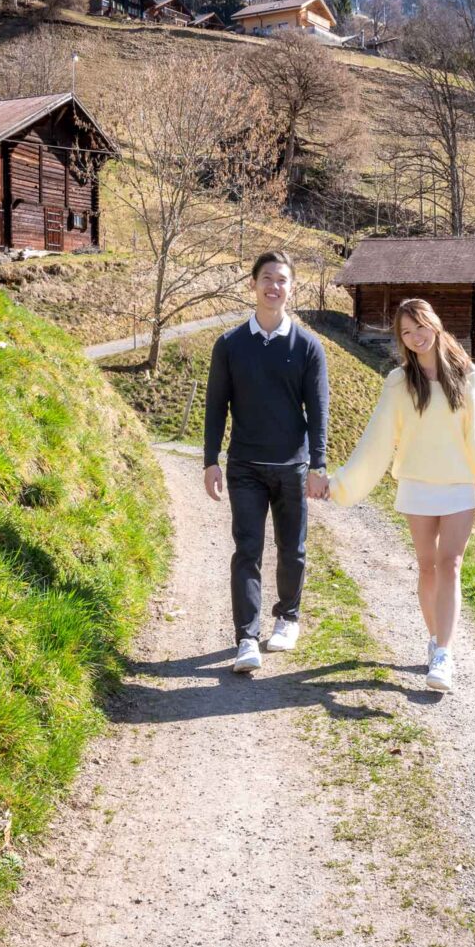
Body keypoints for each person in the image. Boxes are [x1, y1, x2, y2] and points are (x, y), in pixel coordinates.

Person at [328, 298, 475, 693]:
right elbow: (376, 440)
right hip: (417, 484)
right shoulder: (398, 382)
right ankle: (434, 640)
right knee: (428, 566)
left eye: (420, 327)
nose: (415, 337)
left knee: (450, 565)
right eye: (406, 333)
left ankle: (444, 654)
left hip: (460, 485)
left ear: (435, 324)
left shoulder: (467, 375)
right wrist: (341, 483)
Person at [203, 251, 330, 673]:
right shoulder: (230, 345)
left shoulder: (308, 346)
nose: (274, 287)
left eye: (282, 280)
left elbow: (319, 409)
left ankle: (288, 617)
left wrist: (318, 464)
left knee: (292, 549)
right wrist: (210, 460)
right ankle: (246, 638)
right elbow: (215, 407)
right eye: (267, 279)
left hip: (292, 467)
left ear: (291, 288)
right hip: (245, 468)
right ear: (253, 284)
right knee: (248, 550)